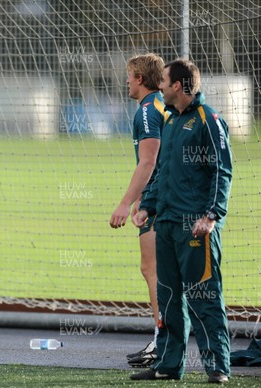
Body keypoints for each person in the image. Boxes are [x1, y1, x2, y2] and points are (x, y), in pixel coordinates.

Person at [131, 59, 232, 383]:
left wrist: (211, 215)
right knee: (170, 298)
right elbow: (162, 173)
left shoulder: (209, 119)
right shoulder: (171, 121)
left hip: (196, 227)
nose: (159, 85)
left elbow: (222, 171)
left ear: (177, 85)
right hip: (167, 224)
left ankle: (217, 367)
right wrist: (147, 206)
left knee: (204, 298)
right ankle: (169, 365)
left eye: (163, 80)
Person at [109, 53, 166, 367]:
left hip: (161, 204)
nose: (127, 82)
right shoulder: (163, 104)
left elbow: (149, 161)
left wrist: (127, 203)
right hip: (169, 199)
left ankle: (163, 342)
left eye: (129, 76)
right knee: (167, 272)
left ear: (140, 79)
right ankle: (166, 340)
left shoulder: (146, 110)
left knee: (153, 270)